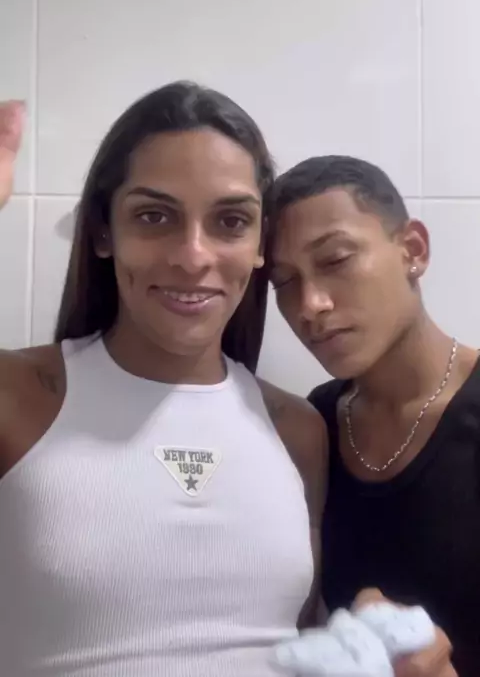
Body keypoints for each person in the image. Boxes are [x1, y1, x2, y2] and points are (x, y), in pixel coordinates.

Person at [0, 92, 452, 677]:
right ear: (103, 233)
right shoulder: (19, 395)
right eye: (154, 216)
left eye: (231, 221)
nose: (193, 256)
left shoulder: (297, 429)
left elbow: (305, 643)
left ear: (259, 245)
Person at [269, 154, 479, 677]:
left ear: (413, 250)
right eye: (285, 281)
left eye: (335, 260)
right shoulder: (313, 424)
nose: (310, 304)